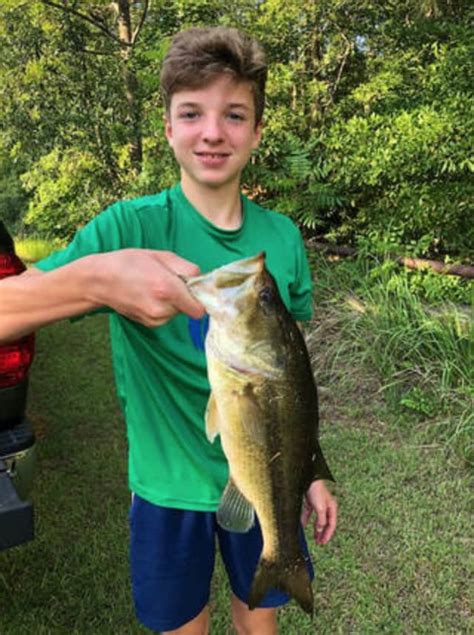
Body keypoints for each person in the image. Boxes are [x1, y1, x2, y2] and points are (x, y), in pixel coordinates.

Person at [0, 27, 337, 635]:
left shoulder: (283, 239)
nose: (213, 132)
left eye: (235, 115)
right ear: (168, 126)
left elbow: (292, 383)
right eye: (192, 113)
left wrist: (311, 469)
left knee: (260, 619)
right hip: (165, 488)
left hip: (263, 482)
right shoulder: (128, 227)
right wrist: (98, 280)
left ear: (257, 131)